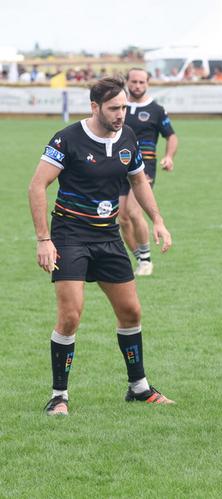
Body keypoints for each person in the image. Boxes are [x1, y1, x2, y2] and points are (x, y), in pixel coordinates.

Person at [29, 76, 174, 416]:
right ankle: (58, 397)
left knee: (131, 312)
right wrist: (43, 239)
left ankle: (138, 388)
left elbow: (138, 180)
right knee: (70, 316)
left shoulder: (128, 136)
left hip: (107, 236)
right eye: (113, 108)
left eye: (123, 107)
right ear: (95, 107)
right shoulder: (68, 139)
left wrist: (158, 220)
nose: (121, 114)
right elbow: (37, 186)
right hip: (70, 235)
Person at [119, 68, 178, 276]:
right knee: (122, 218)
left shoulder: (156, 110)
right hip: (117, 166)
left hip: (144, 166)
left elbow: (171, 136)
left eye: (142, 82)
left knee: (134, 212)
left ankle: (145, 261)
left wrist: (169, 156)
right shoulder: (119, 106)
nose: (137, 86)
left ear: (148, 84)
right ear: (127, 82)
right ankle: (140, 258)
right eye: (133, 81)